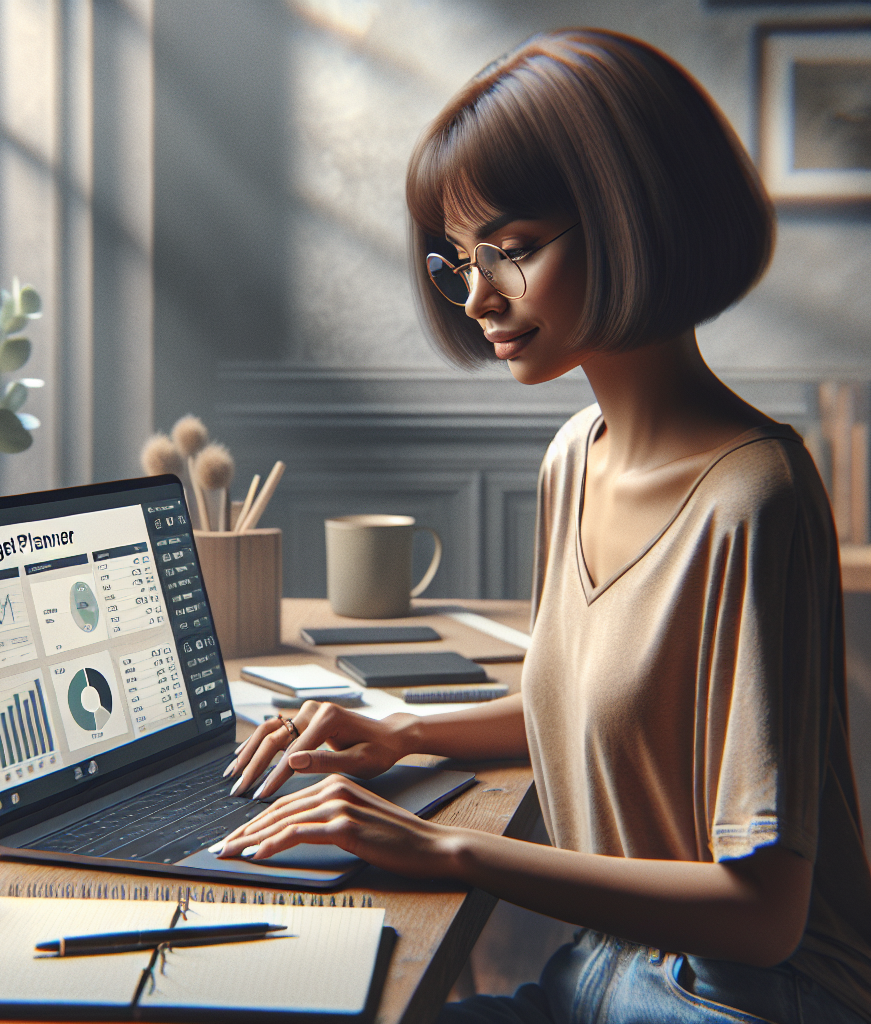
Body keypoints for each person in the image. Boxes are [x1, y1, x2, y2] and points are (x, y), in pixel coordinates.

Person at [214, 29, 871, 1023]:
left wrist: (443, 846)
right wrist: (398, 734)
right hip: (609, 963)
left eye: (513, 251)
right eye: (462, 261)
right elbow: (589, 711)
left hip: (742, 996)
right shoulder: (576, 453)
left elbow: (763, 914)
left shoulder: (754, 496)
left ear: (633, 218)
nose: (479, 295)